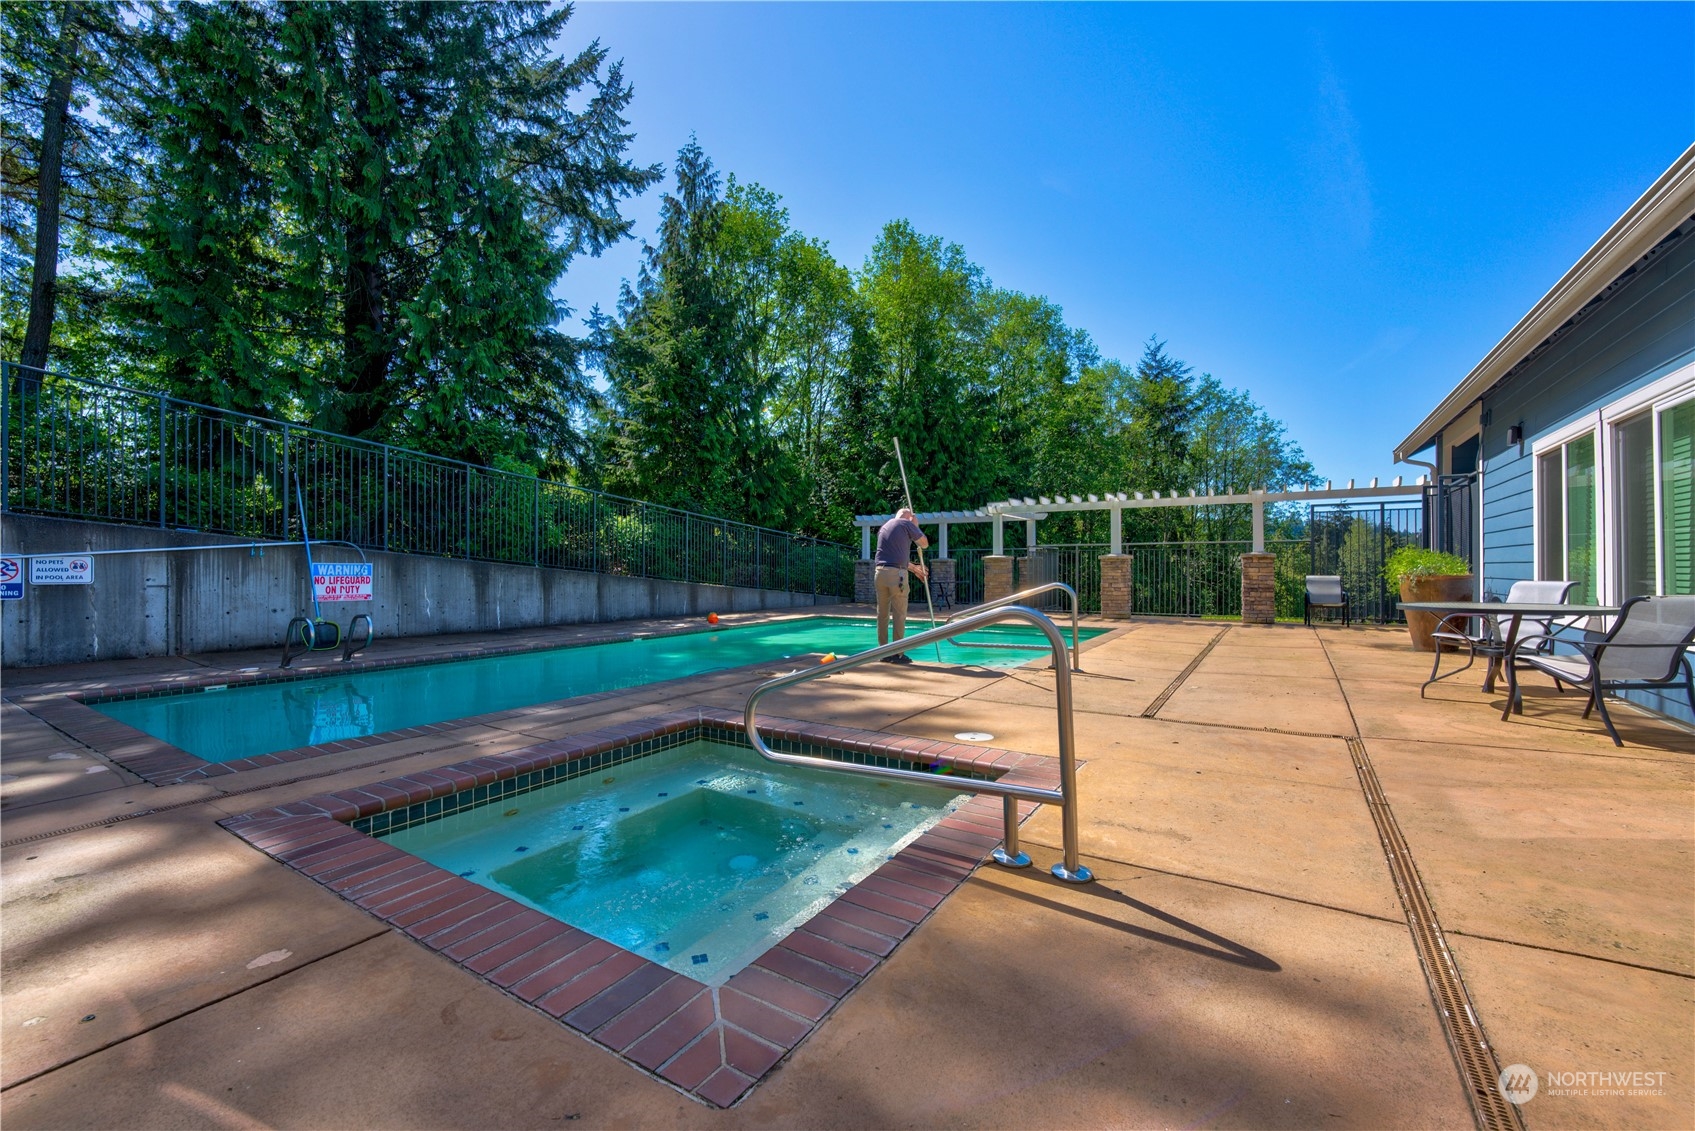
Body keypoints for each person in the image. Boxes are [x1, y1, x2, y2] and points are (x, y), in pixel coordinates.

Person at [873, 507, 929, 664]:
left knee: (882, 615)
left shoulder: (885, 526)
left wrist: (915, 568)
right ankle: (898, 654)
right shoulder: (906, 523)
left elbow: (896, 558)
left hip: (880, 574)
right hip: (896, 577)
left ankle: (883, 652)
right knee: (899, 614)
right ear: (908, 516)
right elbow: (924, 544)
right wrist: (915, 526)